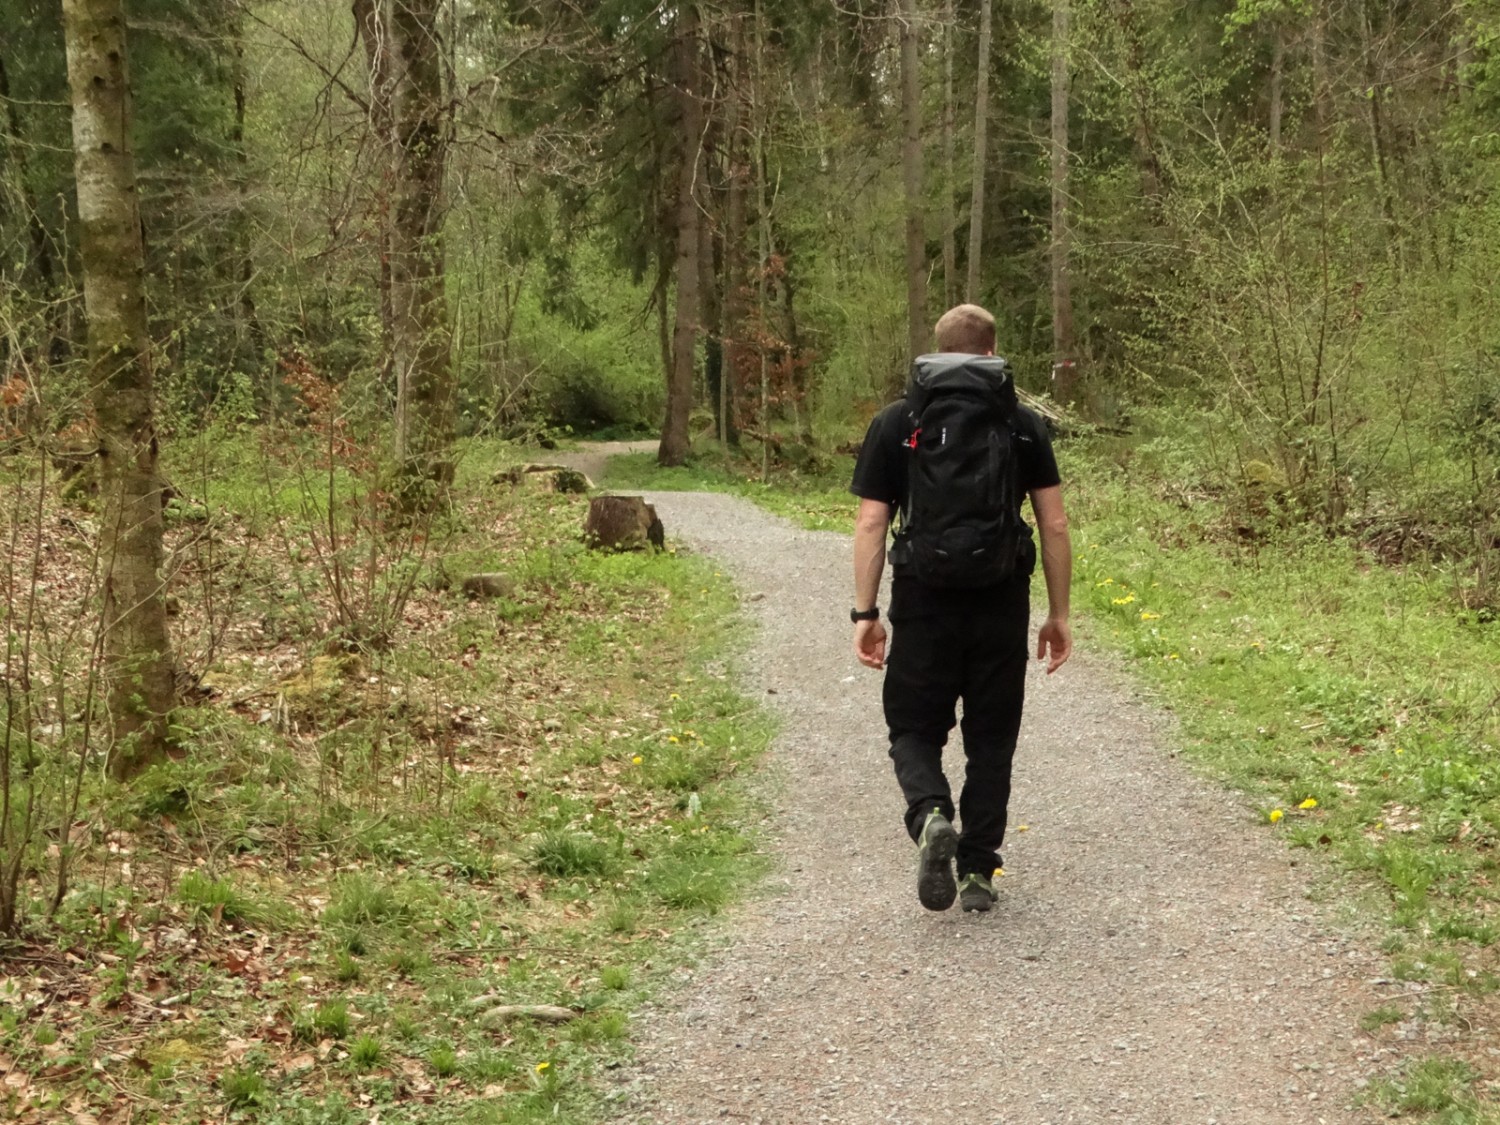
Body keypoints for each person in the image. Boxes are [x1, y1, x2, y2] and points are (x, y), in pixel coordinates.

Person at [849, 303, 1073, 913]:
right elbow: (1052, 524)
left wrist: (864, 614)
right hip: (1001, 599)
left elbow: (872, 521)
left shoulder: (899, 420)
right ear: (993, 350)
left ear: (938, 348)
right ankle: (977, 871)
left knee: (913, 728)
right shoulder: (1023, 424)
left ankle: (929, 815)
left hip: (924, 597)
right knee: (992, 738)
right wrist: (1059, 614)